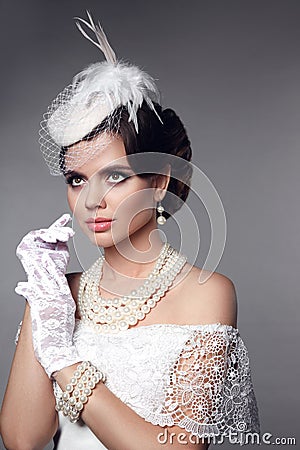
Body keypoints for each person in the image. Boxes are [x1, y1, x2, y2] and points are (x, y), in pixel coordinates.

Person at [0, 12, 260, 450]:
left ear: (158, 182)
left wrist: (65, 365)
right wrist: (43, 305)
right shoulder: (60, 294)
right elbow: (22, 440)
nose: (90, 200)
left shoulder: (206, 292)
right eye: (76, 179)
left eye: (115, 176)